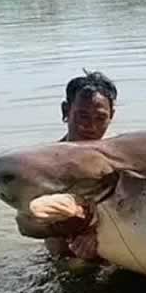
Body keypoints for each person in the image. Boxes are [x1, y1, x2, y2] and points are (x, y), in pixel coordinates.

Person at [18, 70, 118, 260]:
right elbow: (25, 223)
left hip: (110, 250)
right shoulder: (45, 164)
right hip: (65, 259)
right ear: (66, 110)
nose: (91, 127)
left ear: (111, 115)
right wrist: (71, 228)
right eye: (83, 116)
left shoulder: (116, 160)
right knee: (74, 267)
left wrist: (96, 233)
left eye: (100, 118)